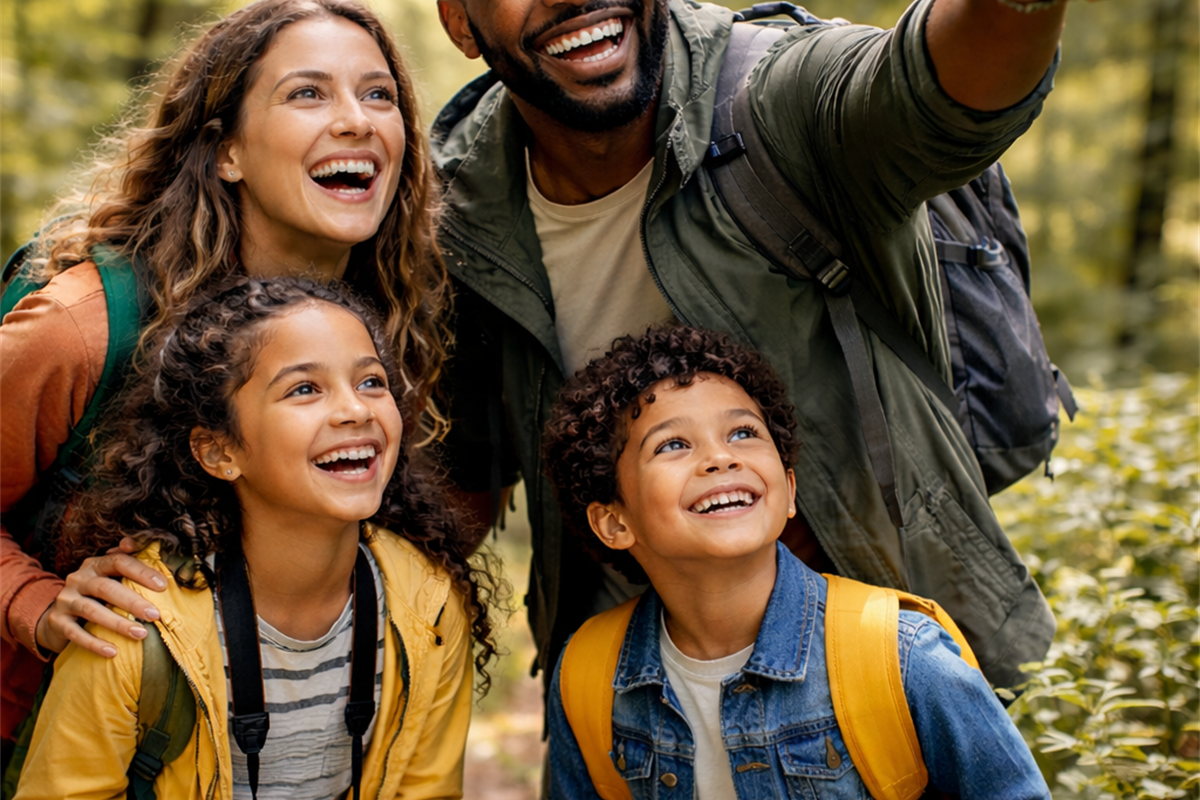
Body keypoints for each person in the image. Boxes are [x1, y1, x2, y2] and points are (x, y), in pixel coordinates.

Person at [429, 0, 1075, 690]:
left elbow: (937, 90)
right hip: (636, 701)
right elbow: (460, 472)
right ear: (460, 22)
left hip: (886, 669)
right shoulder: (458, 213)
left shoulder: (778, 100)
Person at [0, 0, 448, 756]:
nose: (357, 120)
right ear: (225, 152)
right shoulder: (83, 326)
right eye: (308, 93)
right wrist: (33, 601)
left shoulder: (394, 318)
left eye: (379, 94)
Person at [15, 276, 493, 799]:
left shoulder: (431, 608)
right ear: (220, 452)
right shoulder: (134, 626)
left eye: (371, 382)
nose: (356, 410)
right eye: (304, 388)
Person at [541, 325, 1050, 799]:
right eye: (673, 444)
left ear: (788, 490)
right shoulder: (589, 676)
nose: (721, 458)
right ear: (613, 522)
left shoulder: (904, 658)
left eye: (743, 433)